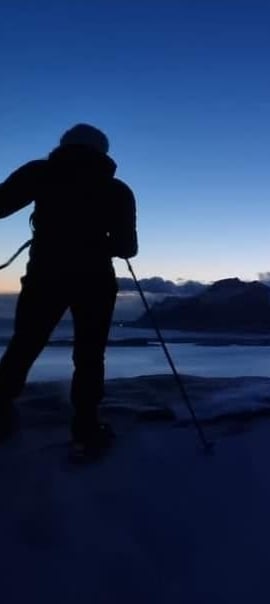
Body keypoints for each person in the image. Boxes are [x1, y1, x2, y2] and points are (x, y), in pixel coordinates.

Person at [0, 124, 138, 454]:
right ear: (103, 152)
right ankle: (86, 428)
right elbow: (127, 248)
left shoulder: (40, 172)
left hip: (45, 275)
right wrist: (99, 242)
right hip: (95, 280)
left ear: (64, 146)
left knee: (24, 344)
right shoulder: (117, 190)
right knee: (90, 354)